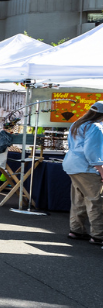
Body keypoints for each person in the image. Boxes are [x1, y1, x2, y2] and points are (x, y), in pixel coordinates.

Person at [65, 101, 103, 244]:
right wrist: (101, 170)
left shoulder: (77, 124)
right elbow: (92, 152)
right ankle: (98, 235)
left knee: (78, 199)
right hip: (86, 167)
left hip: (72, 165)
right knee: (95, 200)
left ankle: (76, 230)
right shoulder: (96, 127)